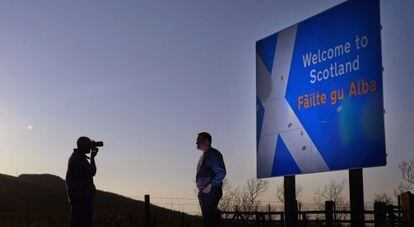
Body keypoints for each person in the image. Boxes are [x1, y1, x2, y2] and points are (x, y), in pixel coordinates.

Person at [66, 136, 98, 227]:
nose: (90, 147)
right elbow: (92, 172)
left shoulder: (77, 157)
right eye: (88, 144)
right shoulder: (78, 159)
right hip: (81, 198)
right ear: (82, 145)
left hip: (80, 198)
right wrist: (92, 158)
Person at [196, 132, 226, 227]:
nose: (196, 143)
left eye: (199, 141)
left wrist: (210, 185)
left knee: (209, 220)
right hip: (204, 193)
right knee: (210, 219)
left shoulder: (213, 155)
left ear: (207, 141)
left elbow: (221, 172)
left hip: (211, 191)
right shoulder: (203, 156)